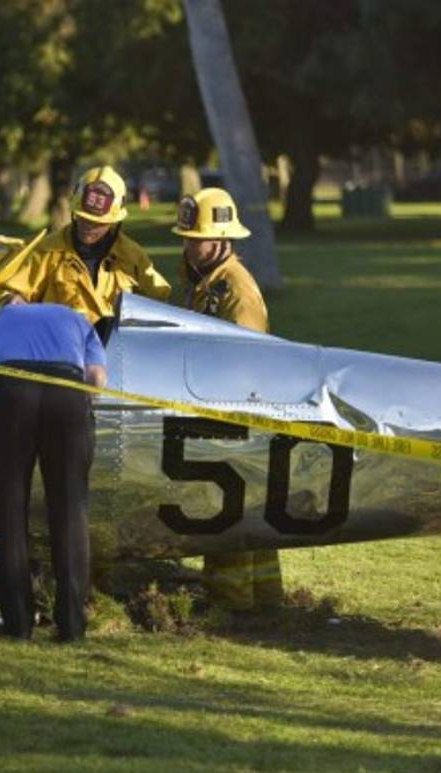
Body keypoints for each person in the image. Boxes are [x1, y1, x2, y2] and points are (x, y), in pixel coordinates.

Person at [172, 187, 282, 611]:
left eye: (194, 238)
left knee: (226, 511)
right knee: (248, 512)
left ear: (220, 239)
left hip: (237, 414)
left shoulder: (235, 289)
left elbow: (248, 362)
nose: (187, 245)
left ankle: (230, 604)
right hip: (220, 409)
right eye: (184, 237)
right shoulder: (206, 284)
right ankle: (266, 601)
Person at [0, 299, 108, 641]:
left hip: (9, 392)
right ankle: (72, 626)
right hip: (67, 393)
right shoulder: (78, 319)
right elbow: (96, 379)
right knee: (69, 510)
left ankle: (18, 625)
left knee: (8, 506)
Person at [0, 165, 170, 336]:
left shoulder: (132, 256)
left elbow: (160, 302)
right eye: (84, 218)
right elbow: (12, 292)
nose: (88, 226)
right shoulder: (48, 250)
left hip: (115, 354)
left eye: (97, 223)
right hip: (60, 351)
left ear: (114, 222)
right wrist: (14, 300)